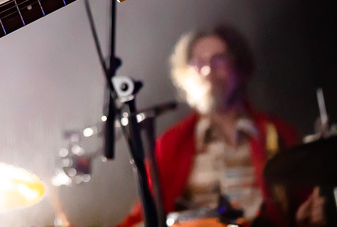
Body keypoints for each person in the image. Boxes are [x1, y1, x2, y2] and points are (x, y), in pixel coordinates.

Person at [117, 25, 325, 226]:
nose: (208, 70)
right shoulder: (169, 145)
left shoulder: (279, 133)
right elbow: (145, 216)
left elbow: (303, 207)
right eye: (198, 63)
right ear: (185, 75)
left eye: (219, 59)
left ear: (239, 66)